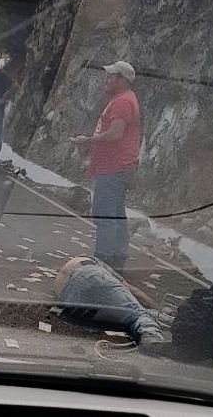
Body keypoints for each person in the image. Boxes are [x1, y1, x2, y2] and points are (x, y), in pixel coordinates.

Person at [70, 61, 141, 270]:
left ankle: (102, 260)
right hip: (117, 165)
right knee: (117, 212)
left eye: (111, 76)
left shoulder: (122, 102)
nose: (107, 80)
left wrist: (88, 140)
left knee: (105, 213)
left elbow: (116, 134)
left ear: (122, 80)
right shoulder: (125, 99)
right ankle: (118, 257)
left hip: (113, 167)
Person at [55, 255, 164, 345]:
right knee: (138, 314)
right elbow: (134, 291)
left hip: (71, 302)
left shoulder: (74, 263)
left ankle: (168, 319)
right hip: (89, 275)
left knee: (128, 314)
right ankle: (152, 336)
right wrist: (158, 308)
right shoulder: (99, 264)